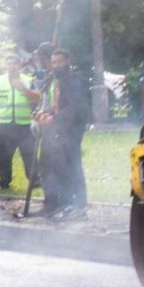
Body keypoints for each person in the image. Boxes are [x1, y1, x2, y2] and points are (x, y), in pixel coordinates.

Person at [34, 49, 89, 219]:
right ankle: (52, 204)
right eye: (54, 62)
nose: (56, 65)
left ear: (68, 61)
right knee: (48, 166)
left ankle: (76, 206)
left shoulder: (75, 80)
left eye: (60, 61)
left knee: (70, 167)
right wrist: (41, 113)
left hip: (70, 130)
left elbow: (75, 108)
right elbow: (48, 102)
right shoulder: (51, 80)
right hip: (51, 130)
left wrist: (54, 118)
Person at [0, 52, 41, 189]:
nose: (12, 66)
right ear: (5, 66)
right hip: (3, 125)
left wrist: (22, 88)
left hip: (24, 125)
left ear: (19, 65)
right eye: (9, 64)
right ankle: (4, 182)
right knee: (4, 157)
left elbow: (37, 98)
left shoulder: (29, 80)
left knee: (29, 154)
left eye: (15, 63)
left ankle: (34, 180)